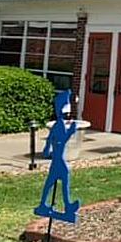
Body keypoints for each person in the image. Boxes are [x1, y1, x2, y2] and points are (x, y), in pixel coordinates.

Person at [34, 90, 81, 224]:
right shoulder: (59, 125)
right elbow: (60, 141)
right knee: (62, 178)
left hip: (57, 158)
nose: (68, 116)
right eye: (67, 113)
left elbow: (50, 139)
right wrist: (71, 132)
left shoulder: (57, 124)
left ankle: (46, 204)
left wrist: (47, 150)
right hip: (59, 159)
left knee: (51, 182)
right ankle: (65, 205)